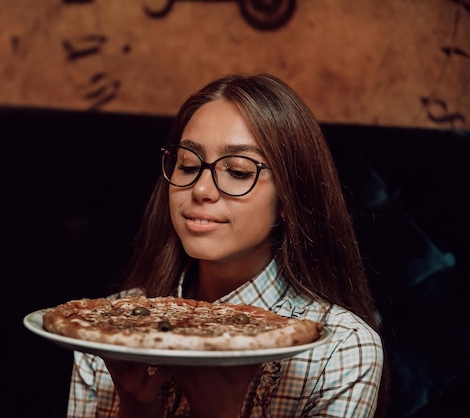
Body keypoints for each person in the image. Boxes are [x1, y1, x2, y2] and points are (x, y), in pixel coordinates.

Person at [67, 73, 387, 417]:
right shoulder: (105, 327)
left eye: (237, 171)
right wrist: (135, 408)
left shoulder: (341, 348)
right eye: (188, 164)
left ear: (288, 197)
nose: (201, 190)